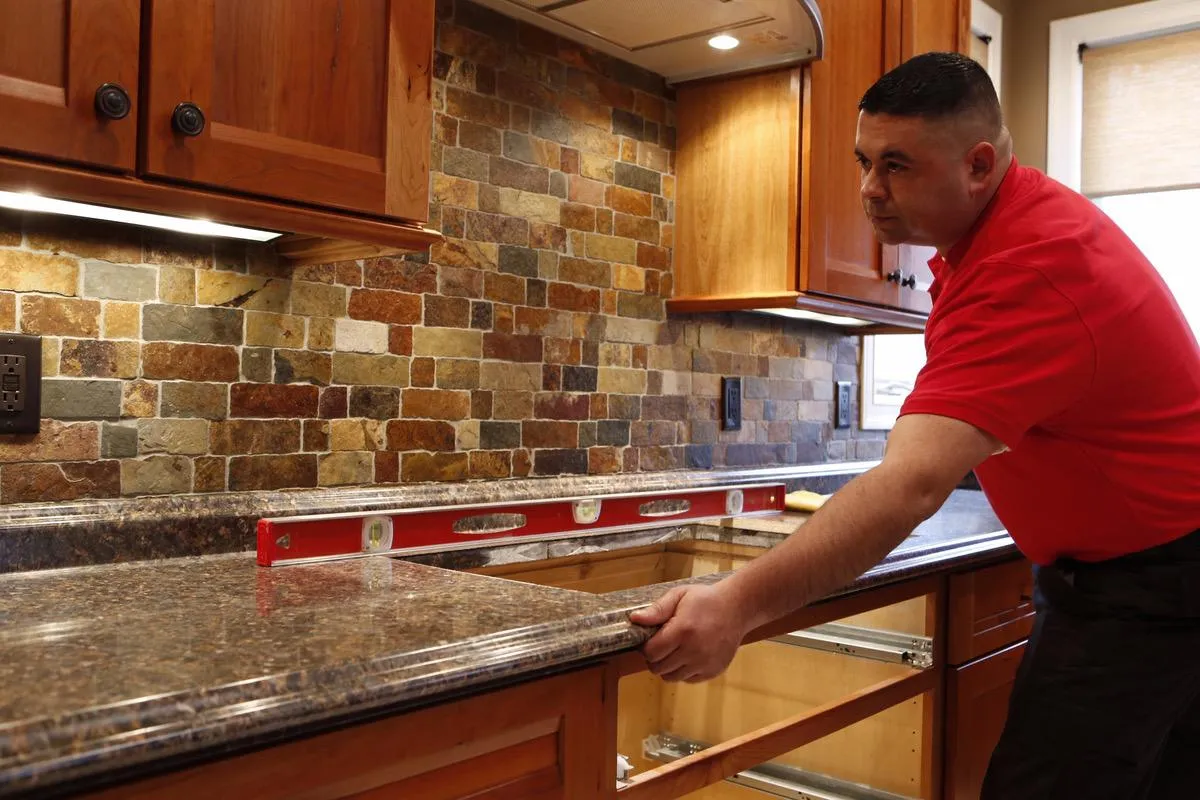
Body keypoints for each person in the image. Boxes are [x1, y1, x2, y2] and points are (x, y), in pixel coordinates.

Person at [630, 52, 1200, 798]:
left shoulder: (1026, 267)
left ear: (979, 164)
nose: (870, 190)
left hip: (1153, 587)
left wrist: (734, 604)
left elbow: (909, 485)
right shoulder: (990, 236)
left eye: (897, 165)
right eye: (865, 161)